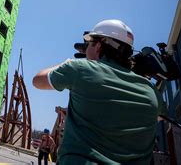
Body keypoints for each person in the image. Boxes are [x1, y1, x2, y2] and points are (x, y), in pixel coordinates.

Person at [32, 19, 166, 165]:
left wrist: (67, 63)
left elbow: (38, 81)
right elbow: (160, 117)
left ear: (98, 46)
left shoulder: (79, 69)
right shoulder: (151, 92)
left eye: (89, 43)